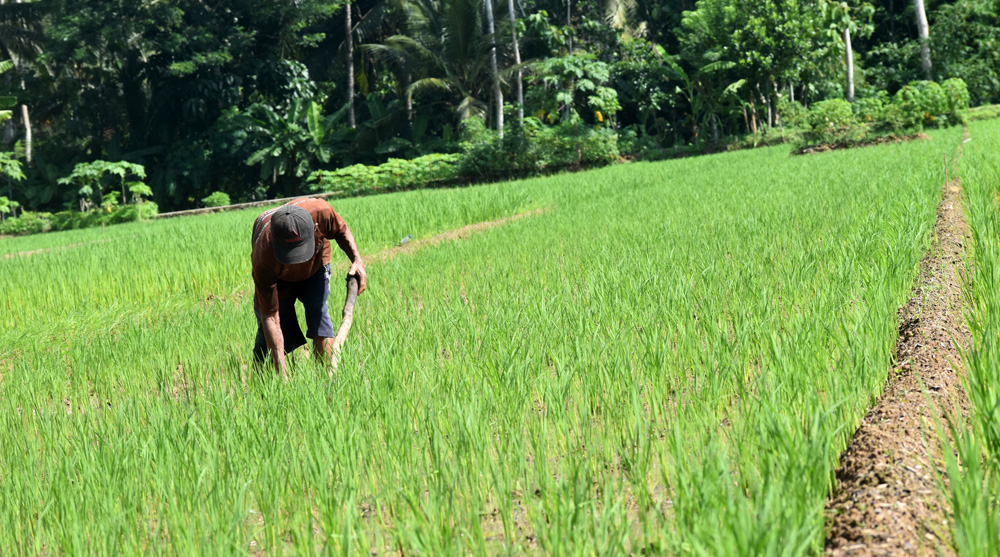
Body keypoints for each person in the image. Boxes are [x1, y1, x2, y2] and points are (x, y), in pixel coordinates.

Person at [251, 198, 367, 378]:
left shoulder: (321, 212)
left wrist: (357, 260)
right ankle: (266, 389)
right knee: (267, 343)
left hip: (316, 268)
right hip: (279, 279)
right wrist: (281, 373)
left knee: (318, 314)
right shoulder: (263, 254)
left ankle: (326, 379)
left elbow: (341, 230)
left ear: (313, 228)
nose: (298, 260)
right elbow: (270, 317)